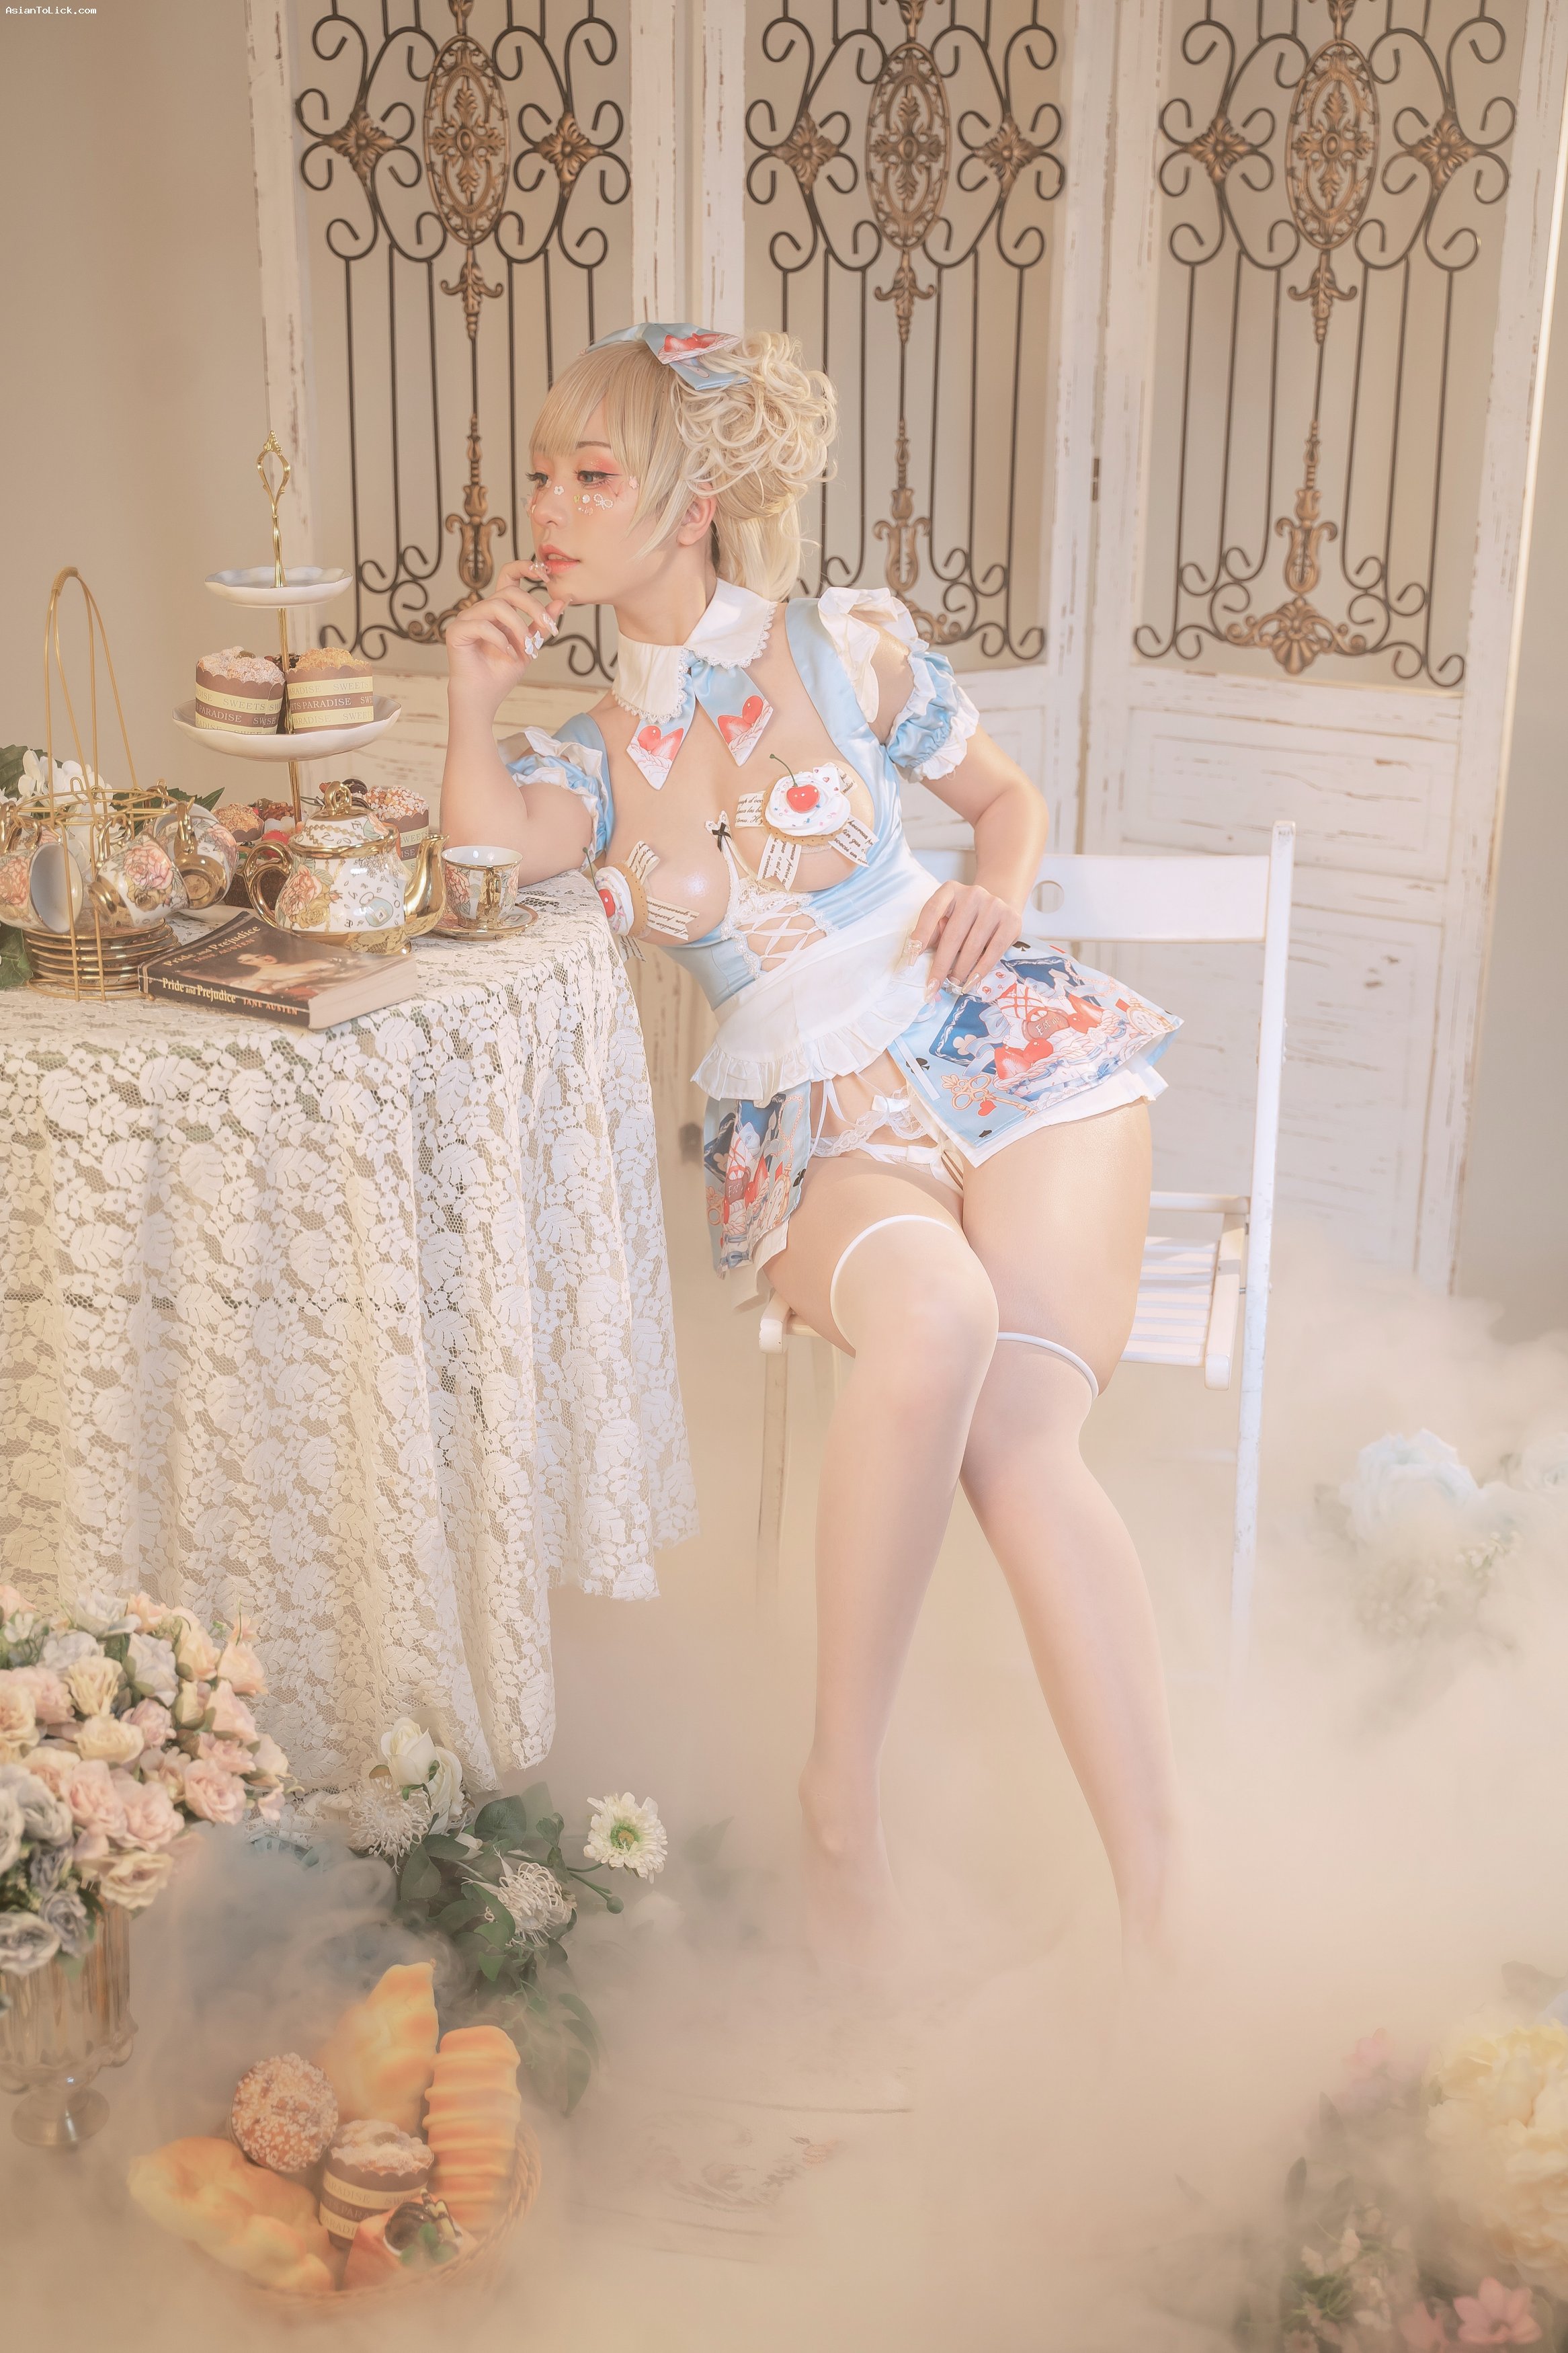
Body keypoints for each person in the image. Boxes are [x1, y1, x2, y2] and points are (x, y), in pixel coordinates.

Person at [440, 323, 1181, 1970]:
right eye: (544, 475)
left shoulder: (845, 648)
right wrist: (472, 698)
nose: (547, 506)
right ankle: (842, 1797)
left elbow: (1005, 804)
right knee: (939, 1314)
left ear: (691, 503)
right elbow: (481, 859)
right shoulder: (587, 756)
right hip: (812, 1118)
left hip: (1006, 1049)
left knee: (1020, 1443)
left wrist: (1001, 889)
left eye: (592, 475)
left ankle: (1161, 1906)